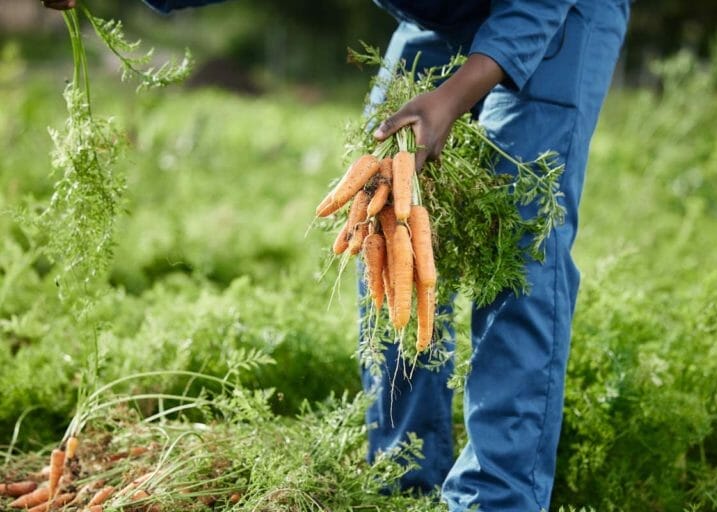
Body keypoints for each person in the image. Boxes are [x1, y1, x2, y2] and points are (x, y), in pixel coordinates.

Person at [44, 1, 630, 509]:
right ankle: (404, 474)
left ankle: (496, 498)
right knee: (382, 214)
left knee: (520, 240)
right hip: (440, 18)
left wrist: (453, 96)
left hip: (555, 15)